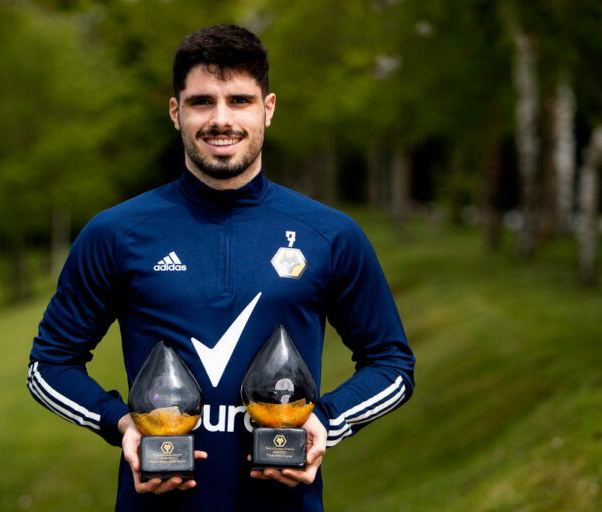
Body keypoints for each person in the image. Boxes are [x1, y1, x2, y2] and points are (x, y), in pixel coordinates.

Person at [28, 24, 415, 512]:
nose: (220, 119)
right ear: (176, 113)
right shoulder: (117, 233)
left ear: (267, 109)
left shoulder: (330, 234)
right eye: (201, 102)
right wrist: (121, 424)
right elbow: (49, 365)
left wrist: (326, 421)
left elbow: (392, 364)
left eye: (239, 101)